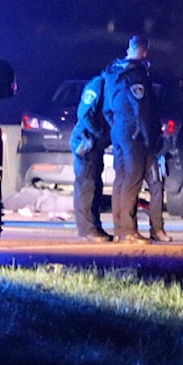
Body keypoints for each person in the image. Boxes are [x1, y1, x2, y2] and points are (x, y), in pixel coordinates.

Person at [102, 35, 169, 244]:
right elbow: (142, 109)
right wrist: (152, 137)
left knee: (123, 180)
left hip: (120, 132)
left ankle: (122, 228)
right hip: (137, 134)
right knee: (133, 181)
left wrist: (116, 126)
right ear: (144, 52)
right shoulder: (136, 74)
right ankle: (129, 231)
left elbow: (107, 108)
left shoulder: (113, 73)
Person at [70, 73, 113, 243]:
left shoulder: (111, 86)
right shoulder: (98, 85)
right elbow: (84, 113)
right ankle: (87, 229)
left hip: (96, 143)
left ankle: (94, 225)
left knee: (95, 185)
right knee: (86, 185)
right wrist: (99, 134)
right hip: (86, 141)